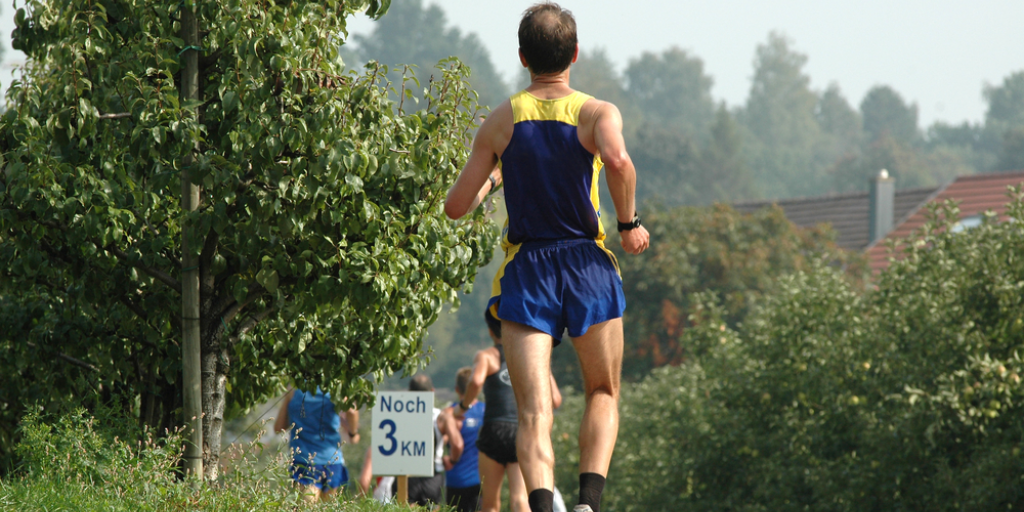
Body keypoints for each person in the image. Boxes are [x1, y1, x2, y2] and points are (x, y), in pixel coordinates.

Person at [443, 4, 650, 512]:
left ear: (522, 57)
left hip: (528, 271)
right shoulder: (597, 113)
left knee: (534, 411)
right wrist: (628, 224)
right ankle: (587, 503)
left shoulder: (502, 120)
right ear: (575, 54)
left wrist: (498, 174)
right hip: (587, 267)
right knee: (602, 391)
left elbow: (456, 206)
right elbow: (618, 161)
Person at [456, 310, 562, 512]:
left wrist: (462, 407)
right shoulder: (534, 357)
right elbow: (556, 399)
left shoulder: (487, 356)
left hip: (494, 429)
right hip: (521, 430)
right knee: (520, 500)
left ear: (490, 330)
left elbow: (476, 381)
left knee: (490, 504)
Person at [357, 374, 446, 507]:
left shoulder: (383, 443)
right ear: (432, 391)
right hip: (432, 476)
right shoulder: (440, 417)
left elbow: (364, 480)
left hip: (390, 495)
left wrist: (362, 505)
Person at [274, 387, 360, 502]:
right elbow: (352, 412)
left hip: (304, 462)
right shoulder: (335, 387)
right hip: (332, 461)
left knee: (306, 508)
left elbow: (279, 428)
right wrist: (353, 434)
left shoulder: (295, 388)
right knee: (329, 508)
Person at [439, 367, 485, 512]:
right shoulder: (486, 411)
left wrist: (447, 459)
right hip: (480, 480)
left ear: (457, 389)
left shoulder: (449, 414)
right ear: (477, 389)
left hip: (455, 480)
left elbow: (440, 442)